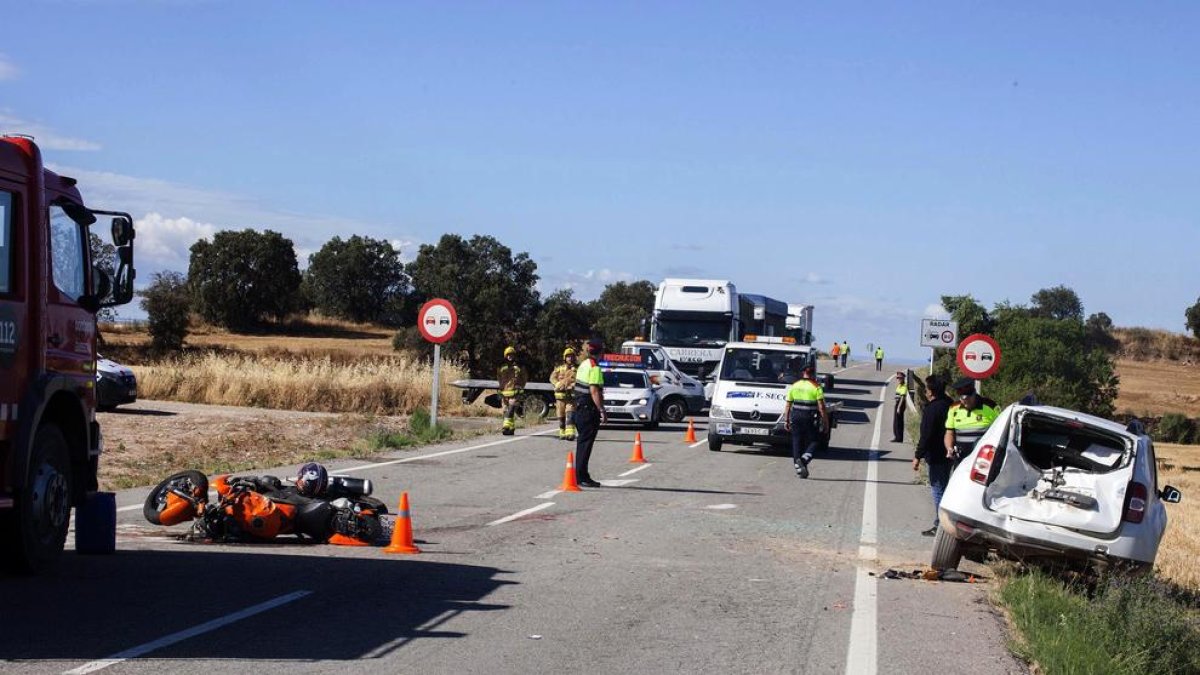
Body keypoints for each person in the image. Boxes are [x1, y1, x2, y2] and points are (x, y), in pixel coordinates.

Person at [912, 376, 953, 536]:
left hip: (936, 455)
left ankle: (941, 525)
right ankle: (944, 523)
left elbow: (926, 436)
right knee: (944, 487)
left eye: (927, 388)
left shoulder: (932, 409)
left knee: (938, 489)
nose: (925, 391)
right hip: (949, 453)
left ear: (931, 391)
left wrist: (917, 456)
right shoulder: (950, 404)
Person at [783, 362, 829, 479]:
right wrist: (825, 422)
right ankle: (803, 460)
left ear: (803, 372)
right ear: (813, 373)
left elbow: (788, 405)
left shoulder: (795, 385)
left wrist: (786, 420)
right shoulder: (816, 386)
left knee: (796, 441)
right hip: (809, 417)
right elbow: (821, 407)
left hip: (795, 416)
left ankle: (799, 469)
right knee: (815, 441)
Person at [573, 338, 607, 488]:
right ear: (600, 352)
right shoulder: (595, 368)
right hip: (588, 409)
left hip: (579, 407)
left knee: (582, 443)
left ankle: (581, 475)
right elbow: (594, 391)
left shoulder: (584, 364)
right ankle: (581, 476)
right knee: (586, 444)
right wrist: (601, 410)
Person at [944, 377, 1000, 468]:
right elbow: (949, 433)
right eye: (962, 399)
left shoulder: (991, 406)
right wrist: (949, 448)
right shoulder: (953, 408)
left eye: (968, 398)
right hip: (961, 460)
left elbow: (1001, 430)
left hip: (984, 462)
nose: (965, 402)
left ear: (974, 393)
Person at [497, 346, 527, 436]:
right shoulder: (501, 366)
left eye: (512, 355)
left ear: (514, 356)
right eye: (508, 355)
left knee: (511, 408)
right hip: (504, 392)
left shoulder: (519, 366)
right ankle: (511, 429)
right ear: (505, 356)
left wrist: (521, 386)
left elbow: (524, 377)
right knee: (506, 411)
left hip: (515, 392)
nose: (510, 356)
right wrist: (500, 387)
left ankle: (505, 426)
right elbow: (499, 377)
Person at [550, 347, 579, 441]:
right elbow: (552, 378)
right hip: (560, 397)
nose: (570, 358)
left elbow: (580, 380)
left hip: (571, 397)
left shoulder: (578, 369)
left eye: (571, 356)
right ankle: (562, 431)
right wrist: (557, 384)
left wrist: (573, 386)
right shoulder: (559, 368)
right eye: (568, 356)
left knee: (570, 414)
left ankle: (570, 433)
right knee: (561, 416)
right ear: (565, 358)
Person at [891, 371, 908, 443]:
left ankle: (899, 438)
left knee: (899, 422)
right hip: (897, 403)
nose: (898, 379)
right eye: (898, 378)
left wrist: (899, 407)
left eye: (900, 378)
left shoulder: (904, 386)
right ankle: (897, 436)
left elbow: (903, 397)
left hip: (900, 404)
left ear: (903, 378)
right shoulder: (899, 386)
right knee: (896, 421)